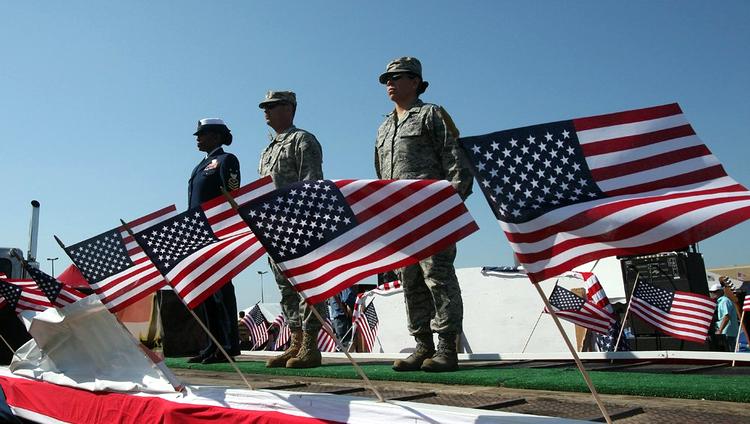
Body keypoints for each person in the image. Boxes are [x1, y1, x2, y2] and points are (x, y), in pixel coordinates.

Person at [374, 57, 473, 372]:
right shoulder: (384, 125)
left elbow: (456, 158)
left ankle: (446, 348)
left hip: (432, 213)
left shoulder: (432, 115)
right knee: (410, 280)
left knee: (438, 278)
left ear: (415, 81)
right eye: (386, 78)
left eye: (396, 77)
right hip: (400, 217)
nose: (389, 83)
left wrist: (452, 203)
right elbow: (380, 174)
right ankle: (422, 345)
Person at [257, 91, 327, 368]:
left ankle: (310, 343)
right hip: (273, 227)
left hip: (299, 226)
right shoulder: (268, 149)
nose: (266, 111)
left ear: (289, 108)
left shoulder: (302, 140)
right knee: (285, 288)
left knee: (307, 286)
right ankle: (295, 340)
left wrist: (304, 223)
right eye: (265, 106)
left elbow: (311, 184)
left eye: (272, 106)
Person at [187, 118, 241, 364]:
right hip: (199, 232)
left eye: (203, 134)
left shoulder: (226, 159)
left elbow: (232, 194)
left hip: (217, 231)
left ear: (217, 136)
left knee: (221, 289)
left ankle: (228, 345)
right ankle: (212, 344)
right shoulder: (201, 165)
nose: (198, 138)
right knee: (206, 290)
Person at [710, 280, 739, 351]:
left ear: (720, 291)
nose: (712, 293)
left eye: (715, 291)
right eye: (711, 292)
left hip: (727, 333)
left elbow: (726, 317)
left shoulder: (724, 301)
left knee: (729, 352)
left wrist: (720, 330)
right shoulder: (721, 301)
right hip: (726, 332)